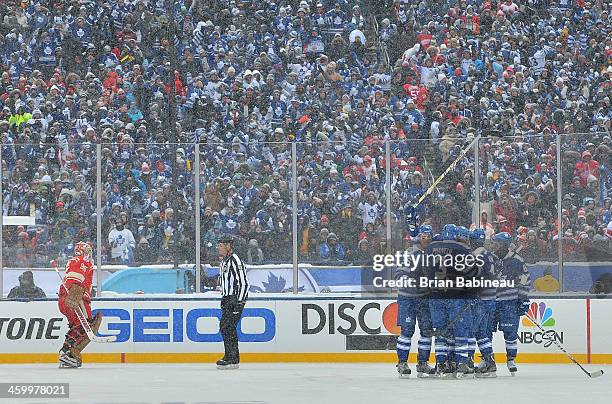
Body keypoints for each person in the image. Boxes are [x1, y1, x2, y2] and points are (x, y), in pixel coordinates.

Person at [395, 224, 436, 379]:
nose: (426, 239)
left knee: (426, 331)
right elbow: (399, 276)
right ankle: (402, 362)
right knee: (407, 331)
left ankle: (423, 363)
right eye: (423, 236)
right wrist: (415, 281)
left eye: (429, 237)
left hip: (424, 299)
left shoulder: (431, 255)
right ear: (418, 237)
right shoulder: (409, 254)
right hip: (408, 299)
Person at [491, 232, 531, 375]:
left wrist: (523, 299)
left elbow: (525, 280)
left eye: (496, 244)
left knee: (510, 332)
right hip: (491, 302)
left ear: (504, 245)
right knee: (485, 331)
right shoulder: (490, 259)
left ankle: (511, 359)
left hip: (509, 302)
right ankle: (487, 359)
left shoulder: (517, 260)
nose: (494, 246)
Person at [57, 242, 102, 368]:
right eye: (88, 251)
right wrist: (75, 298)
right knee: (85, 326)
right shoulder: (82, 261)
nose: (90, 254)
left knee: (78, 327)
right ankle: (67, 354)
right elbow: (74, 280)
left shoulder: (75, 261)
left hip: (66, 299)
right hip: (75, 298)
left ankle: (66, 353)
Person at [217, 235, 249, 369]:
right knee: (226, 328)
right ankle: (231, 356)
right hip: (226, 299)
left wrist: (239, 303)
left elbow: (243, 283)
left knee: (227, 327)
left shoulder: (235, 260)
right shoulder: (224, 261)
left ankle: (232, 356)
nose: (219, 248)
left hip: (234, 299)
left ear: (228, 246)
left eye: (221, 246)